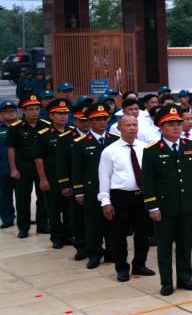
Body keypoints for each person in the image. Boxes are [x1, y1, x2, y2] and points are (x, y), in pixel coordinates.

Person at [142, 106, 192, 296]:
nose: (177, 127)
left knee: (185, 244)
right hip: (164, 207)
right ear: (161, 127)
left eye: (178, 123)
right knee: (164, 247)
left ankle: (185, 278)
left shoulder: (191, 146)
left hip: (187, 205)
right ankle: (167, 282)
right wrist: (152, 206)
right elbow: (148, 181)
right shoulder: (152, 151)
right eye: (171, 124)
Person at [97, 114, 155, 283]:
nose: (132, 128)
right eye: (127, 125)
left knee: (143, 233)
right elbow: (104, 178)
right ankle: (122, 268)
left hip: (142, 196)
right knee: (119, 235)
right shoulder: (110, 151)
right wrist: (105, 202)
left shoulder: (146, 148)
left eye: (134, 125)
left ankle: (140, 264)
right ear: (119, 128)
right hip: (120, 197)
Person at [72, 104, 116, 267]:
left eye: (104, 119)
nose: (102, 122)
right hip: (92, 189)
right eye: (97, 119)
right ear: (90, 121)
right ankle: (95, 253)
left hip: (112, 188)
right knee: (93, 223)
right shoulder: (80, 143)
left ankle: (112, 252)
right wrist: (79, 191)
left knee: (112, 223)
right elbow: (76, 169)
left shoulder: (114, 140)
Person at [35, 99, 75, 249]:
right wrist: (42, 179)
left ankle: (68, 235)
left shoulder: (72, 131)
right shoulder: (44, 134)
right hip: (51, 177)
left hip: (69, 177)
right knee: (53, 209)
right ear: (51, 116)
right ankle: (56, 237)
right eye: (59, 114)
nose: (63, 117)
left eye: (65, 113)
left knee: (69, 209)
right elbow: (38, 158)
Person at [9, 95, 49, 238]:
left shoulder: (46, 125)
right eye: (31, 109)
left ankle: (42, 225)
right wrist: (13, 168)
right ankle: (23, 227)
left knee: (43, 196)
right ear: (24, 111)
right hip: (23, 167)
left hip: (42, 167)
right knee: (22, 198)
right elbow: (11, 148)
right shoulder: (16, 127)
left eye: (37, 109)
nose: (34, 112)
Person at [0, 101, 16, 229]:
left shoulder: (22, 126)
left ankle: (24, 217)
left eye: (12, 111)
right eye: (6, 111)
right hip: (3, 167)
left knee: (23, 196)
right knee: (5, 195)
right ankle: (7, 219)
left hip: (21, 167)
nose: (9, 114)